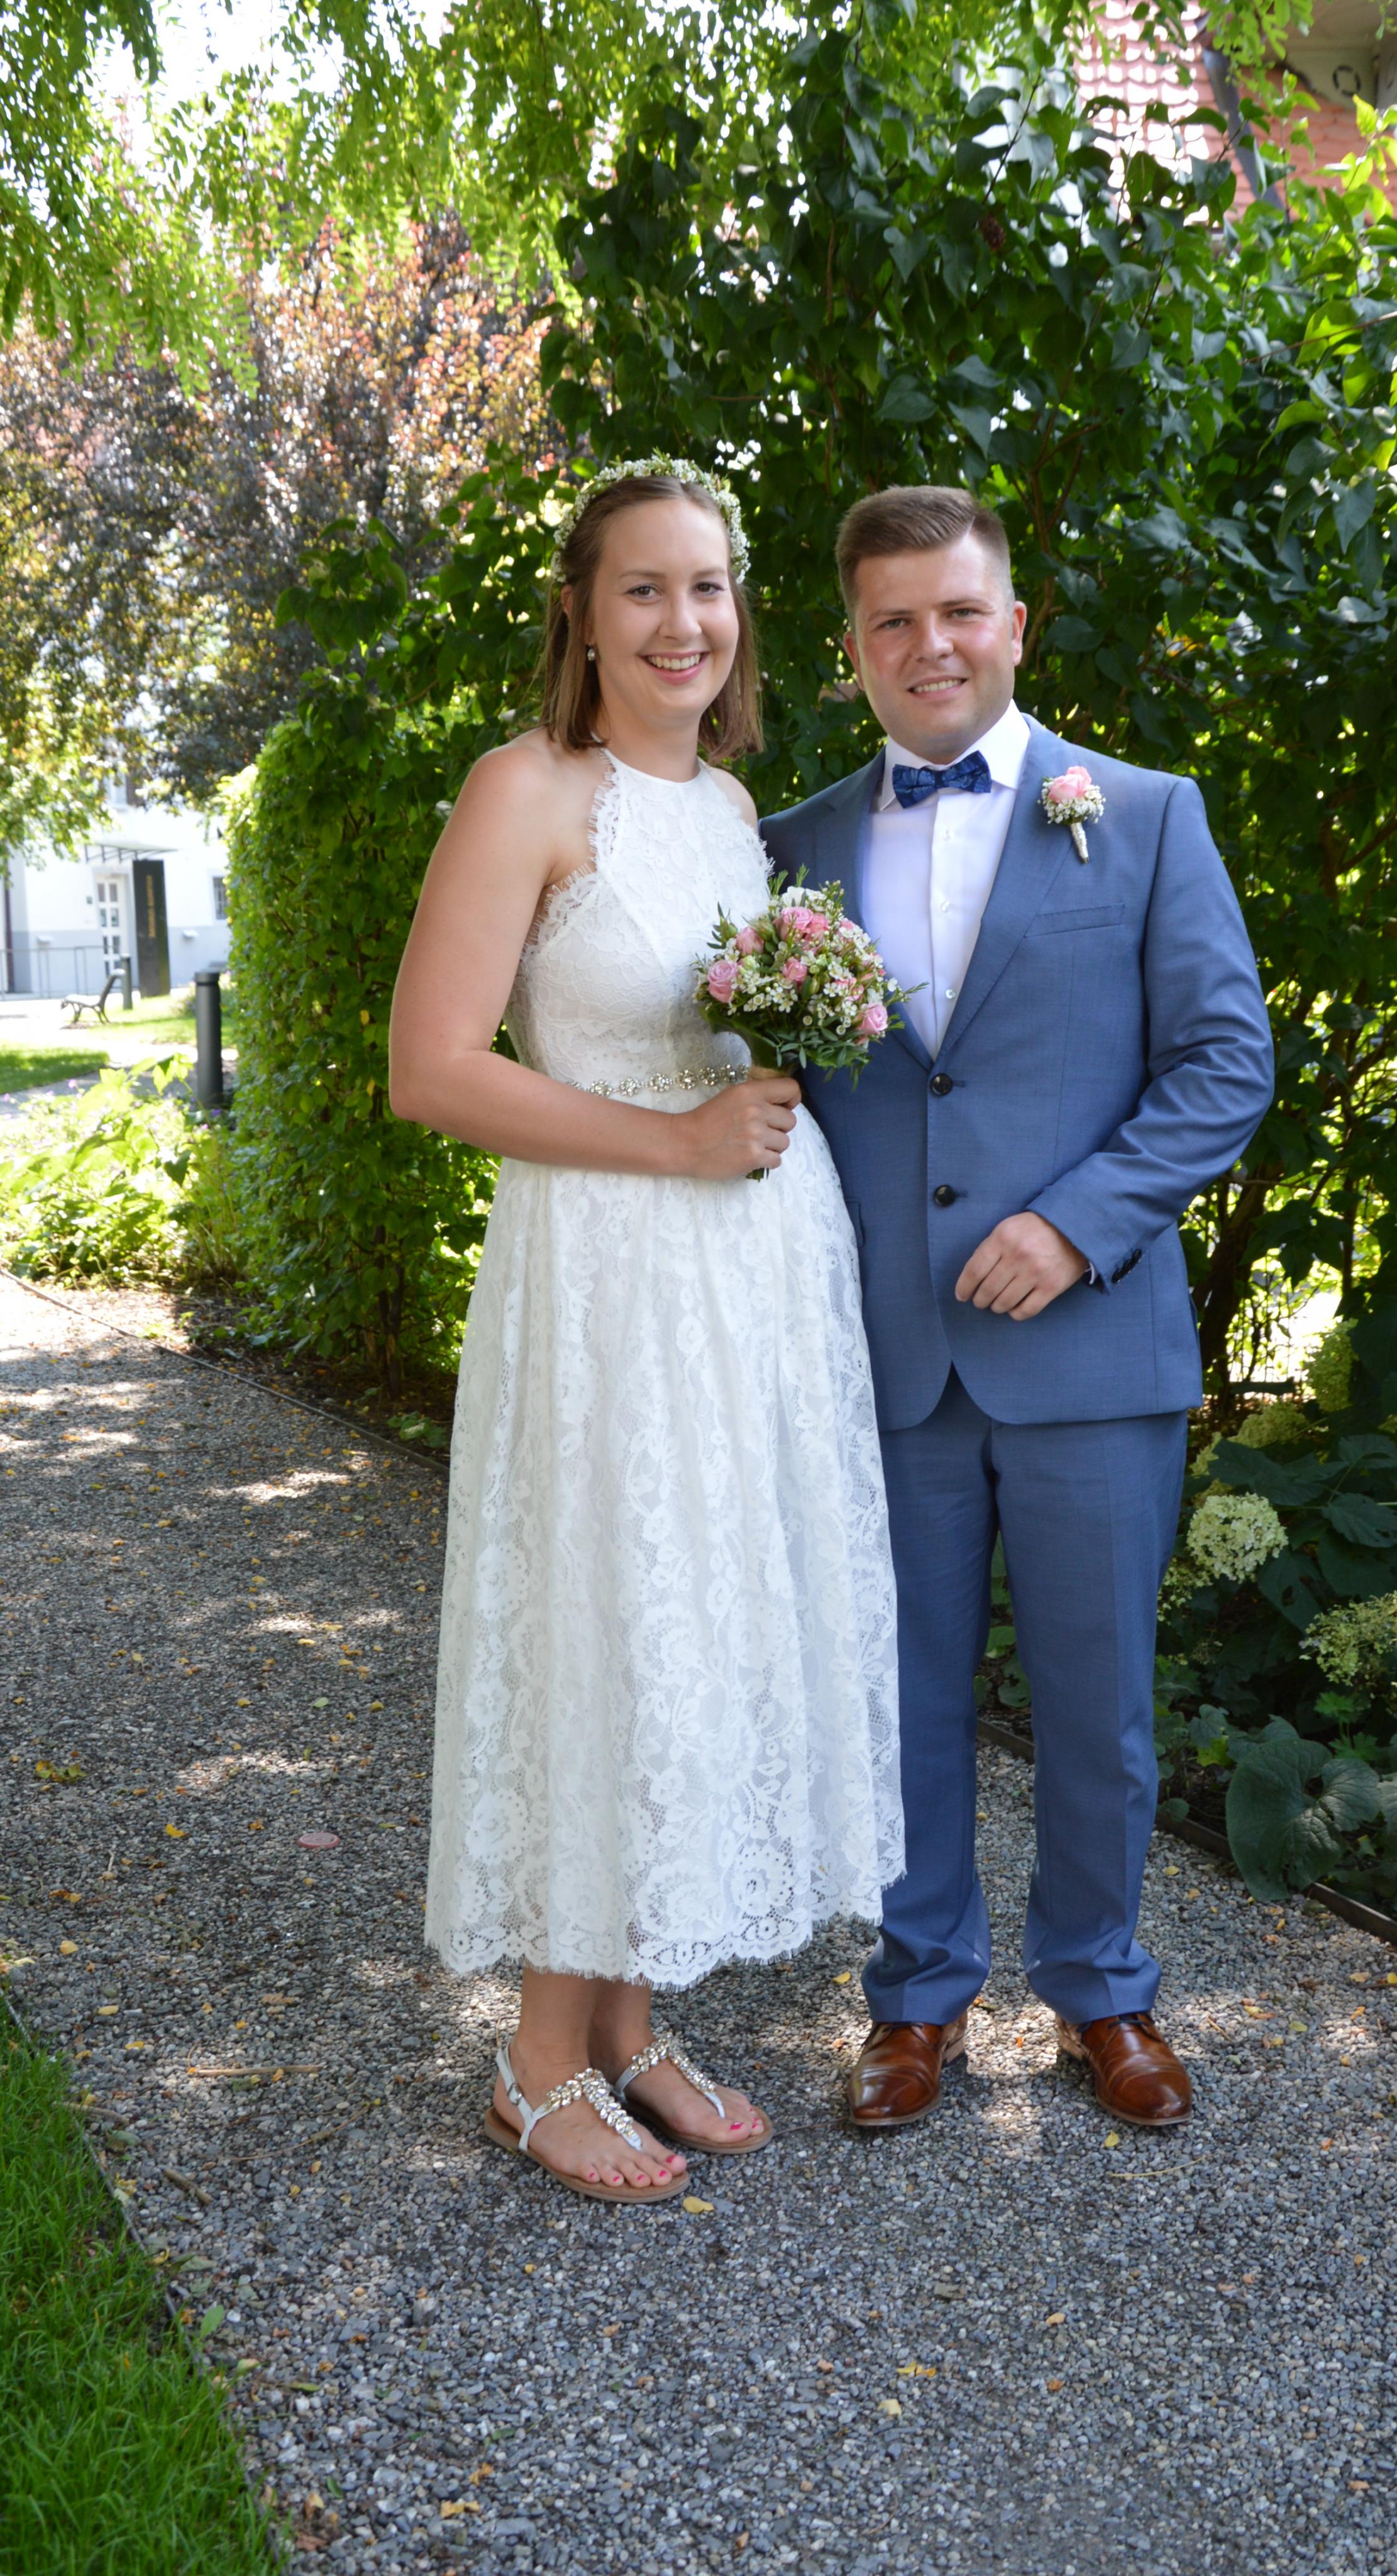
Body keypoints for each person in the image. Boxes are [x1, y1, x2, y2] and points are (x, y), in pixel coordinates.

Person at [390, 458, 903, 2206]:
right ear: (581, 613)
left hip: (748, 1279)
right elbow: (433, 1069)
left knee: (696, 1617)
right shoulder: (525, 789)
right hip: (608, 1269)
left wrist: (748, 1108)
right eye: (644, 588)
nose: (684, 621)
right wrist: (678, 1144)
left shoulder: (734, 807)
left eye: (709, 586)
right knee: (612, 1611)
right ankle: (535, 2062)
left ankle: (626, 2023)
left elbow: (729, 1034)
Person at [762, 486, 1273, 2134]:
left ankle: (1100, 1992)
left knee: (1096, 1706)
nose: (932, 644)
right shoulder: (791, 852)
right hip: (886, 1356)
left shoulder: (1142, 817)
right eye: (894, 620)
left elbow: (1225, 1064)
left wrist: (1077, 1224)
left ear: (1014, 626)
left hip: (1089, 1348)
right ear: (853, 648)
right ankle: (915, 1998)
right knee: (898, 1703)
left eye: (959, 610)